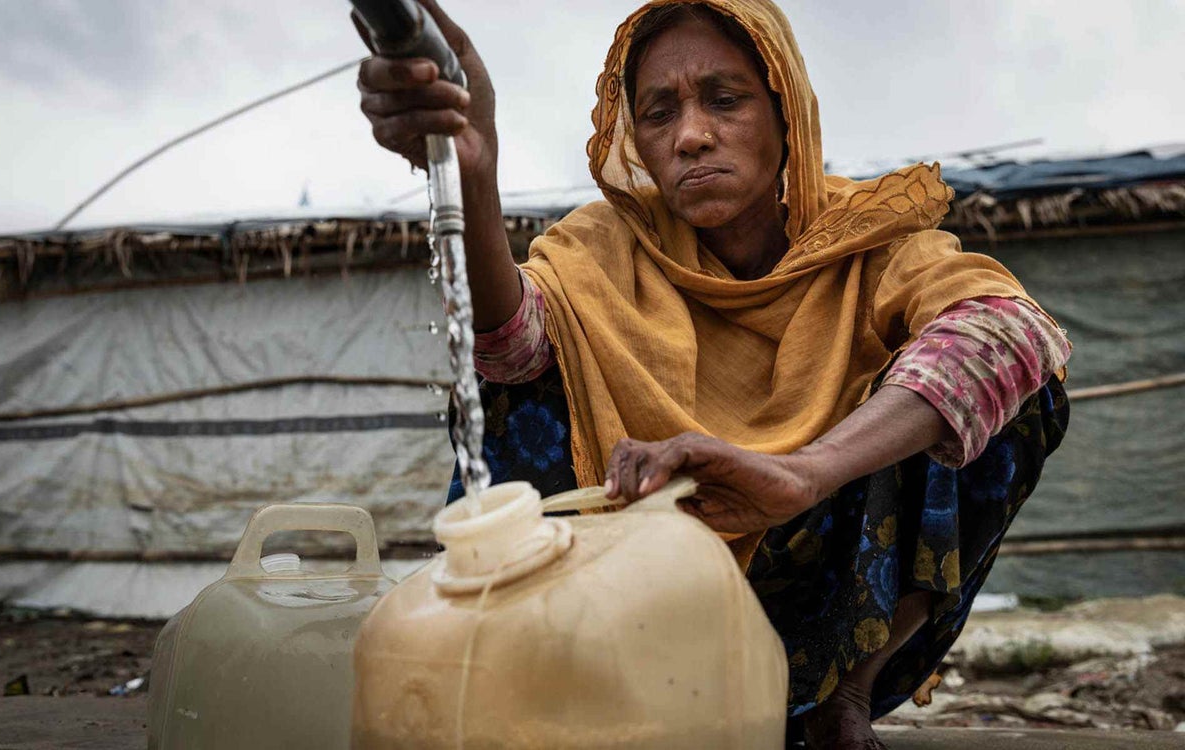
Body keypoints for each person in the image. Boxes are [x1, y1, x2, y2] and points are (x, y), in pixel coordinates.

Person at [356, 1, 1071, 747]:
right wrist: (476, 168)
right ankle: (546, 674)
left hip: (821, 586)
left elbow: (1011, 329)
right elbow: (507, 350)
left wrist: (803, 472)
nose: (692, 136)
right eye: (659, 113)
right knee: (514, 387)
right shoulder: (598, 251)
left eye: (725, 101)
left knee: (1008, 393)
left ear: (783, 108)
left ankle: (844, 702)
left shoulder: (868, 240)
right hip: (627, 603)